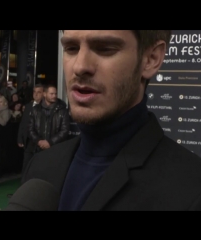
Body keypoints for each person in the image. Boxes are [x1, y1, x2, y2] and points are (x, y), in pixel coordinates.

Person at [21, 30, 201, 211]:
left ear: (151, 58)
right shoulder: (40, 167)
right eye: (71, 48)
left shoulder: (191, 190)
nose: (79, 66)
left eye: (105, 49)